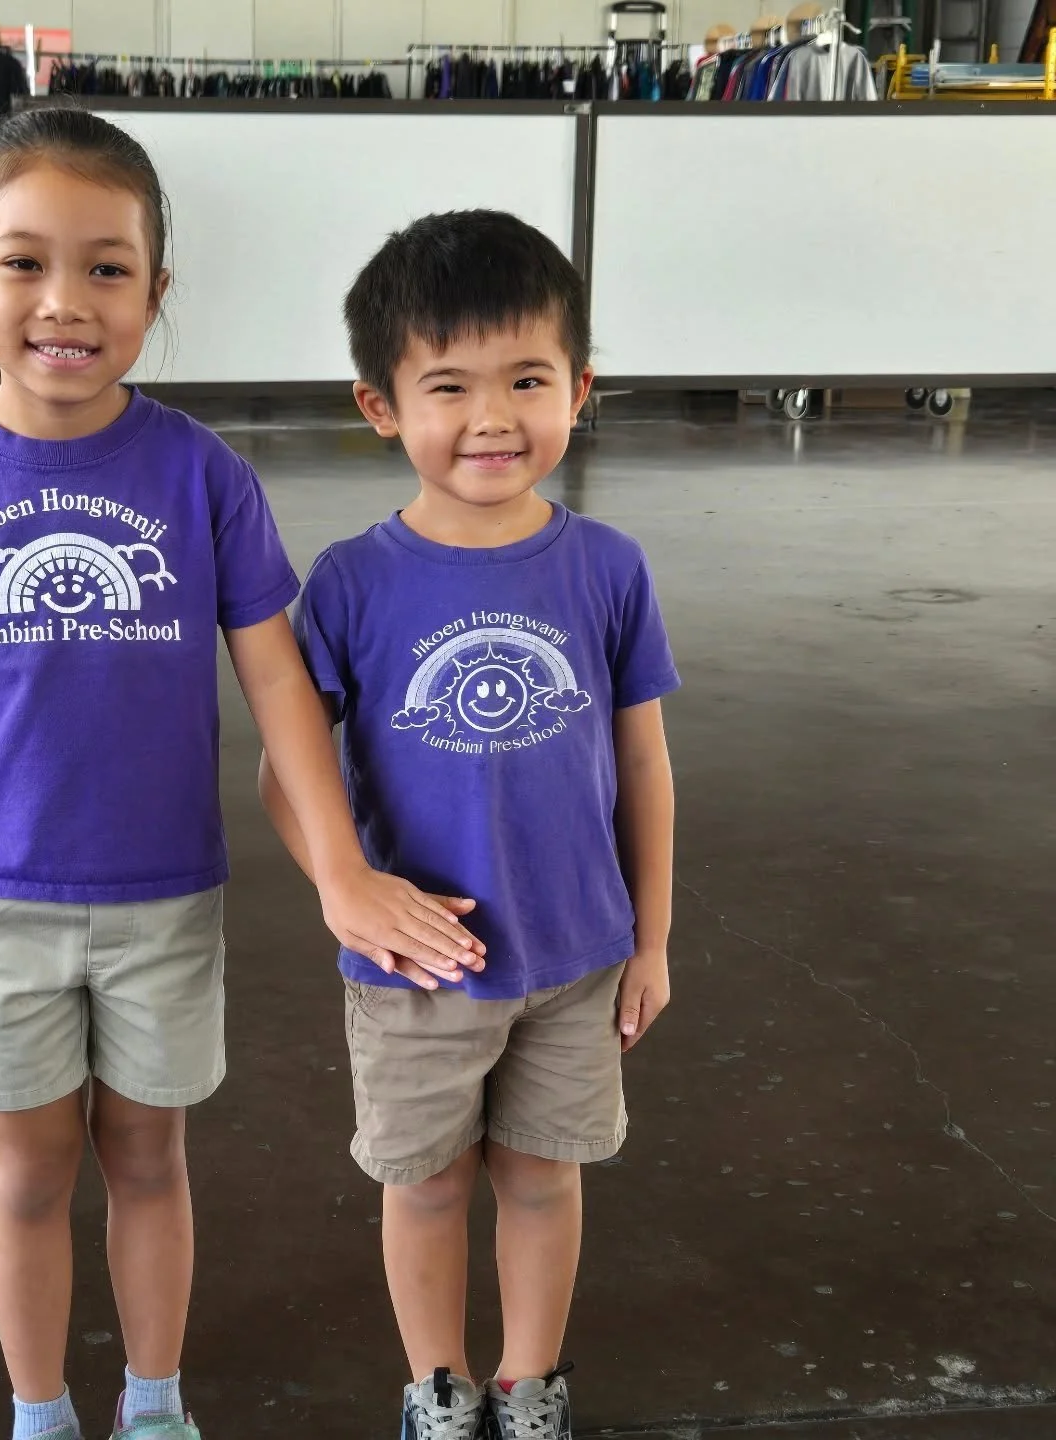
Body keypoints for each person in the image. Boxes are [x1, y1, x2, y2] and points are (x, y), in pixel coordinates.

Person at [0, 109, 484, 1440]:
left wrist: (346, 869)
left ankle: (151, 1405)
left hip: (165, 907)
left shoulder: (202, 476)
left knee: (147, 1158)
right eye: (22, 264)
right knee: (24, 1172)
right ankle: (38, 1413)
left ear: (156, 292)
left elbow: (277, 687)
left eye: (108, 268)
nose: (64, 302)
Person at [259, 210, 680, 1440]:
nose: (493, 417)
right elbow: (292, 777)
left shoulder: (608, 566)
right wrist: (344, 889)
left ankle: (527, 1382)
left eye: (528, 380)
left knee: (546, 1178)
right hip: (415, 973)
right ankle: (437, 1386)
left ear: (581, 388)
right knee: (429, 1185)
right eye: (449, 385)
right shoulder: (348, 581)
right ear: (379, 405)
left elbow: (645, 763)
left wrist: (650, 940)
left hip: (575, 958)